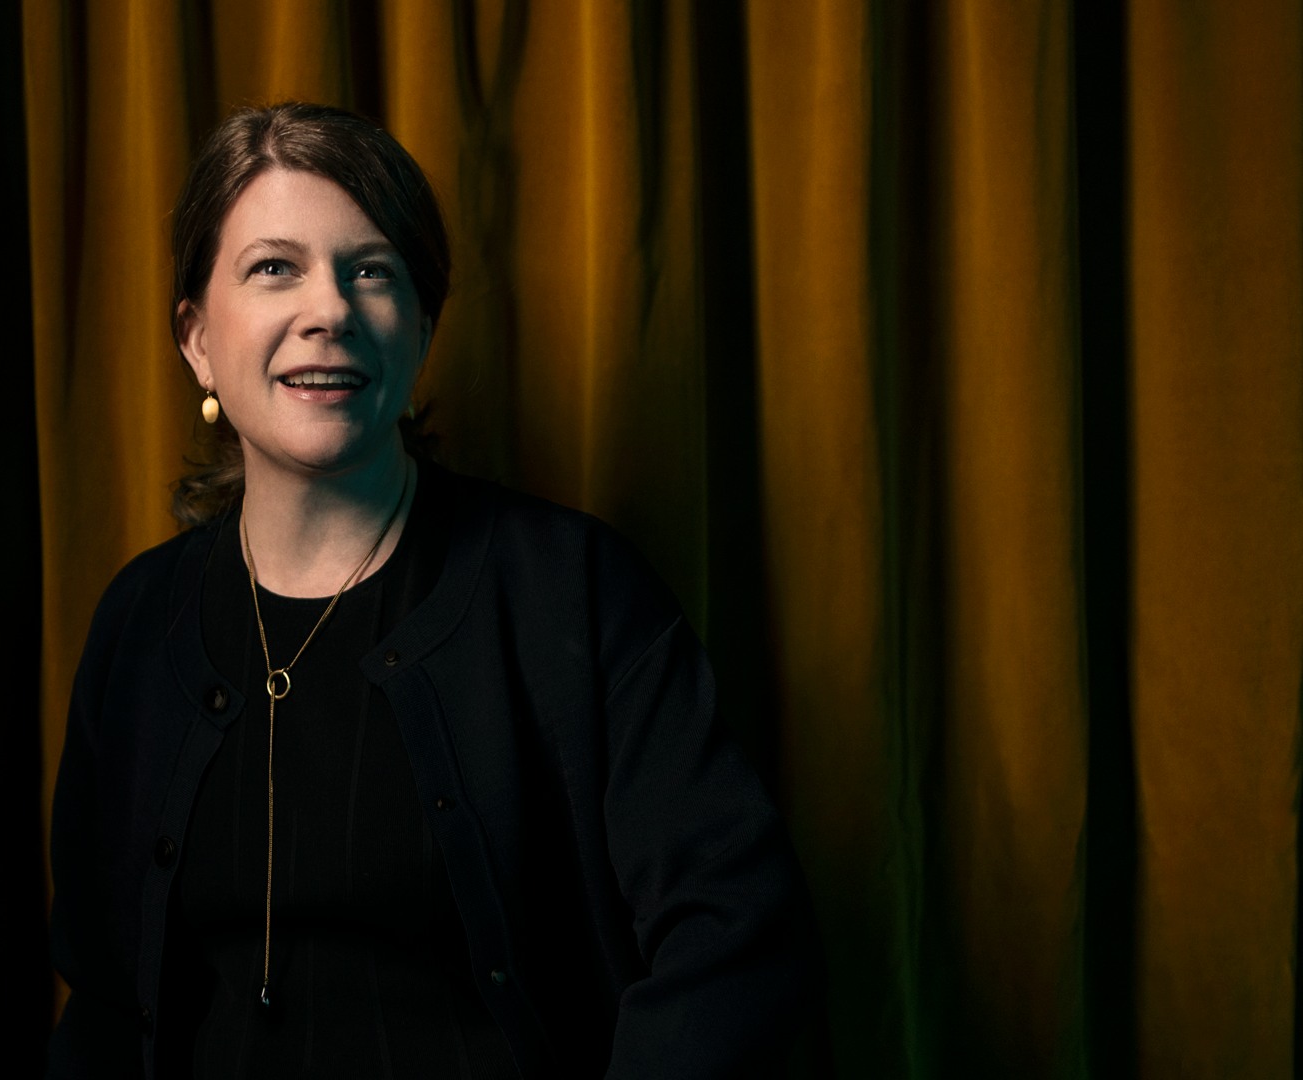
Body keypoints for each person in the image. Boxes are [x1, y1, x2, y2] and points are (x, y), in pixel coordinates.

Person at [46, 101, 818, 1079]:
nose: (327, 309)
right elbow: (105, 1002)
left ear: (418, 325)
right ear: (197, 337)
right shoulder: (138, 628)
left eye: (369, 270)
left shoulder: (574, 593)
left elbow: (738, 934)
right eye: (273, 267)